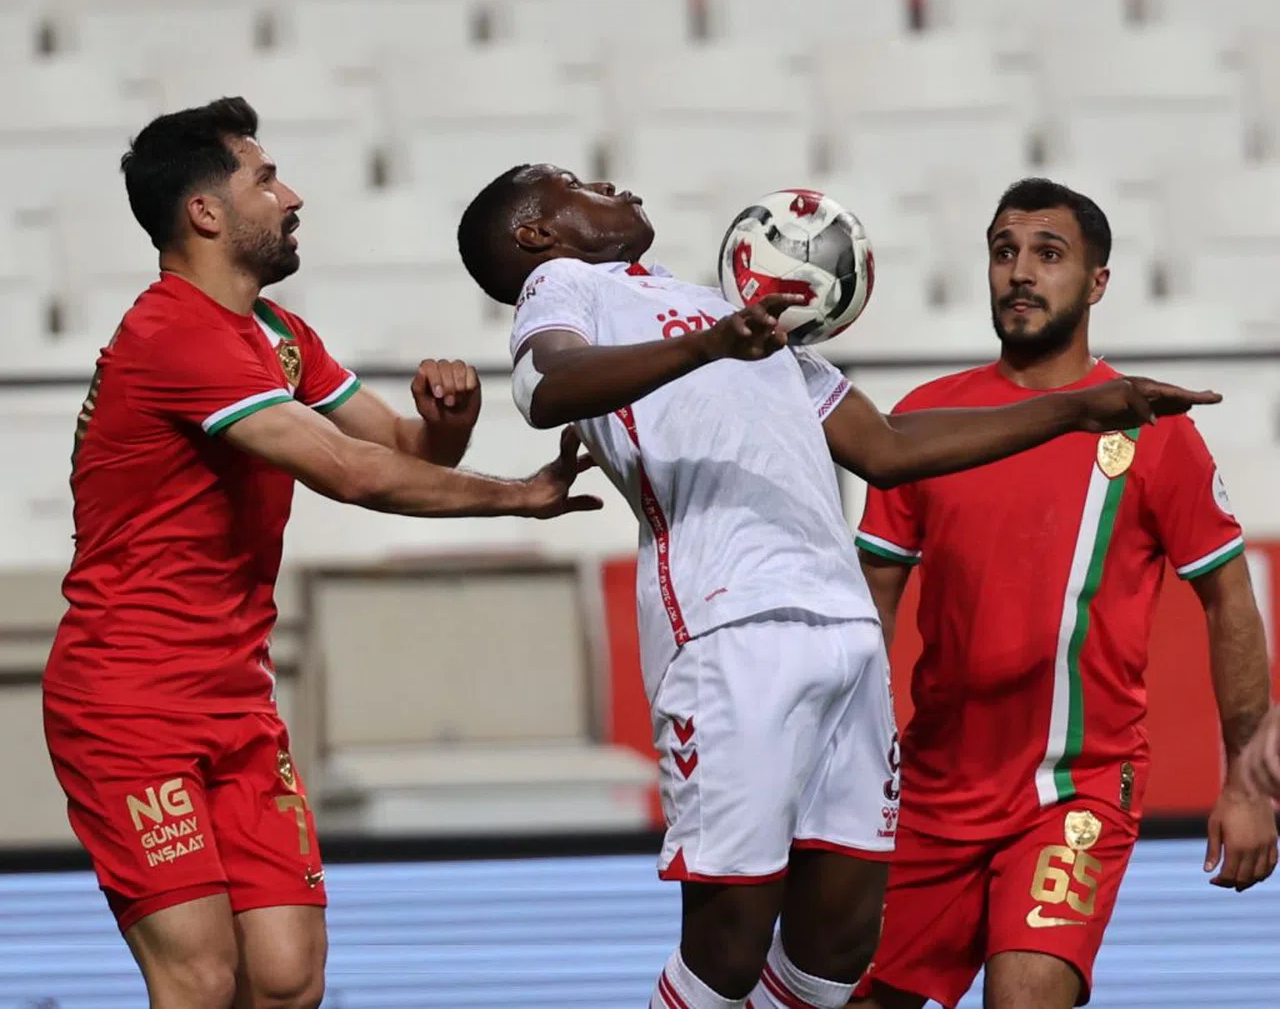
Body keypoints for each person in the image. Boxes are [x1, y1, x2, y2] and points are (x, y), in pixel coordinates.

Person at [454, 163, 1222, 1009]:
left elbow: (886, 446)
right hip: (730, 627)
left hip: (844, 629)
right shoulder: (568, 287)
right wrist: (708, 346)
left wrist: (1077, 412)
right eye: (574, 184)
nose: (611, 185)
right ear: (537, 234)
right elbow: (545, 386)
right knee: (728, 945)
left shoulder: (723, 307)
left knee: (837, 952)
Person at [41, 100, 599, 1009]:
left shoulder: (279, 336)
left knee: (287, 978)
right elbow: (351, 473)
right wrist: (519, 495)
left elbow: (402, 450)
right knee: (201, 979)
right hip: (130, 702)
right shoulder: (175, 335)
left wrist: (447, 424)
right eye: (265, 179)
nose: (291, 196)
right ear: (205, 213)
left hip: (236, 697)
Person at [850, 178, 1278, 1009]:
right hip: (931, 790)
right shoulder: (921, 424)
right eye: (1004, 252)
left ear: (1097, 282)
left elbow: (1230, 599)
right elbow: (873, 600)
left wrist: (1247, 782)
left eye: (1049, 254)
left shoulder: (1154, 431)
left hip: (1075, 790)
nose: (1020, 272)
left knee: (1026, 996)